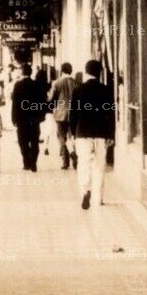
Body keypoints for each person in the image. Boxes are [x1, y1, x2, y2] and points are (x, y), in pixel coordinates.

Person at [70, 59, 115, 209]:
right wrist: (111, 134)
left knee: (83, 164)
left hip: (82, 132)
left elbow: (73, 114)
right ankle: (98, 198)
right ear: (99, 72)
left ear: (86, 72)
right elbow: (110, 113)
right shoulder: (107, 90)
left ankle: (85, 191)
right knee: (100, 165)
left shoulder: (78, 90)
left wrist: (72, 133)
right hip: (101, 133)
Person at [11, 61, 41, 172]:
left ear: (22, 72)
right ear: (30, 72)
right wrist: (39, 117)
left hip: (21, 119)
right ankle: (33, 163)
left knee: (22, 141)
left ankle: (26, 162)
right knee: (34, 141)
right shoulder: (36, 85)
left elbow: (15, 103)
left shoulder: (18, 85)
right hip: (34, 119)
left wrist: (14, 118)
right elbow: (40, 103)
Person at [49, 62, 76, 170]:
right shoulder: (76, 83)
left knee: (61, 137)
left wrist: (52, 107)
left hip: (60, 114)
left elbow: (51, 99)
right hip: (74, 114)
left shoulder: (57, 83)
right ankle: (74, 152)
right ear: (71, 70)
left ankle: (65, 161)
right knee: (72, 136)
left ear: (61, 70)